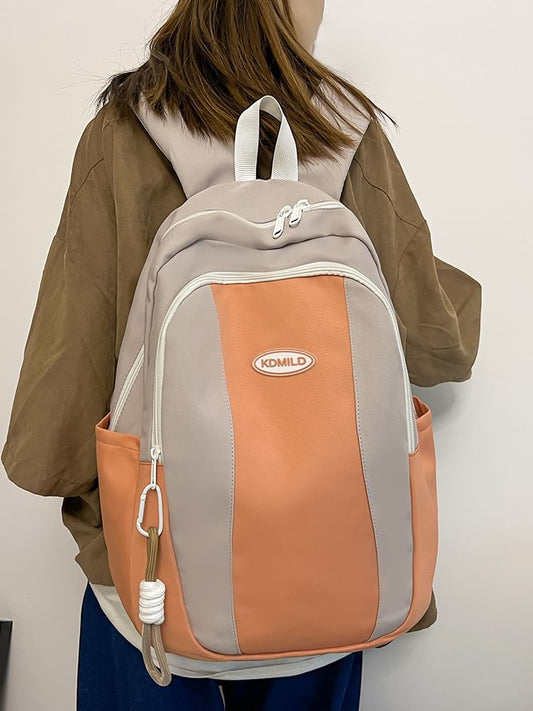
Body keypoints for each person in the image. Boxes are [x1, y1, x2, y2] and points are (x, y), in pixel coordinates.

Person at [1, 0, 482, 709]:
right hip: (327, 562)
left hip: (155, 576)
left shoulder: (125, 128)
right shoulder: (343, 131)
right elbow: (435, 342)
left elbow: (66, 382)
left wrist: (69, 474)